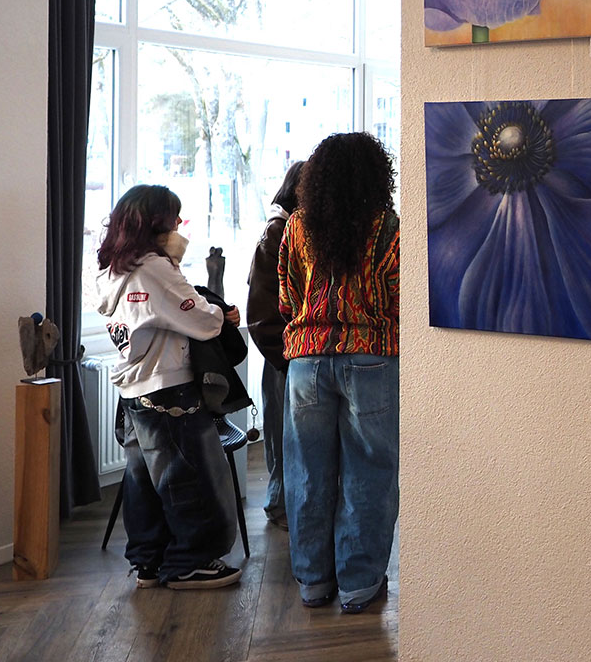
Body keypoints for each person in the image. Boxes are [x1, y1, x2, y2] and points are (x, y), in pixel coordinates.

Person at [96, 184, 242, 590]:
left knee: (142, 482)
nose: (179, 223)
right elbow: (203, 320)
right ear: (157, 222)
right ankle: (189, 562)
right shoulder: (154, 269)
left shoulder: (113, 269)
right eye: (173, 217)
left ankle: (149, 561)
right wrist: (220, 311)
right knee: (186, 480)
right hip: (168, 385)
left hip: (134, 389)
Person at [278, 133, 401, 613]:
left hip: (306, 361)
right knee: (369, 472)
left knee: (306, 471)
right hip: (372, 358)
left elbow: (287, 295)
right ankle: (358, 584)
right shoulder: (386, 226)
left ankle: (313, 582)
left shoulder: (297, 226)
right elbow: (399, 295)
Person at [246, 160, 306, 530]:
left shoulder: (288, 230)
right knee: (283, 436)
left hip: (289, 353)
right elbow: (262, 309)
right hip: (284, 355)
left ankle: (285, 504)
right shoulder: (278, 233)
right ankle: (280, 505)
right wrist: (285, 357)